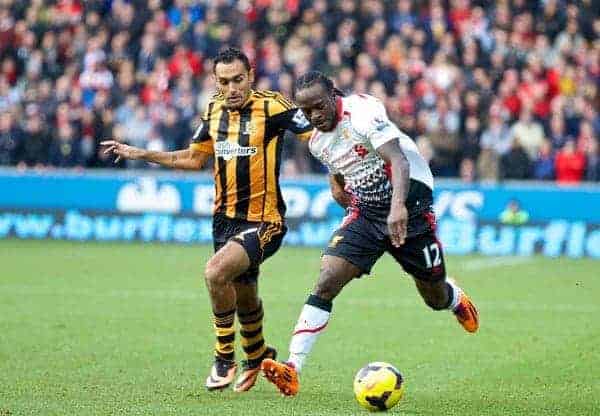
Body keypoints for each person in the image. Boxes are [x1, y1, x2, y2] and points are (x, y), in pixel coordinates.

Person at [101, 48, 312, 392]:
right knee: (244, 294)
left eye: (238, 80)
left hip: (265, 221)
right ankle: (258, 355)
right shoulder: (213, 110)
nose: (232, 88)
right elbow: (194, 158)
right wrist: (141, 153)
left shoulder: (273, 105)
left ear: (251, 75)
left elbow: (315, 136)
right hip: (223, 221)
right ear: (216, 81)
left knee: (215, 272)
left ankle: (224, 357)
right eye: (224, 81)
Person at [260, 71, 479, 396]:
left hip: (412, 205)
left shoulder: (362, 113)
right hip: (368, 212)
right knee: (327, 279)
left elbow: (399, 161)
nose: (314, 116)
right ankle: (293, 368)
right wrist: (339, 190)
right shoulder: (318, 142)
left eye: (319, 107)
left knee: (433, 296)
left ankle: (454, 298)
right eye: (306, 112)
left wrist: (398, 208)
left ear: (334, 95)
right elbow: (339, 169)